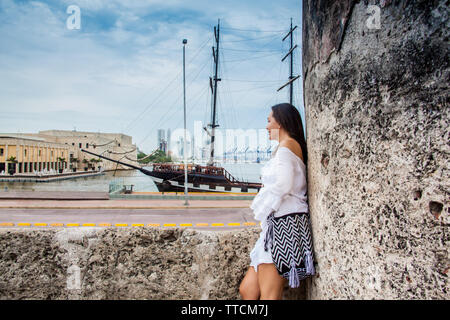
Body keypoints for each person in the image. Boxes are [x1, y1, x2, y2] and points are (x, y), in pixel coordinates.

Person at [239, 103, 312, 300]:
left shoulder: (287, 146)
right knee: (248, 289)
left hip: (283, 229)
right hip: (276, 227)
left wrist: (262, 207)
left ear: (280, 121)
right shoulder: (285, 147)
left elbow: (284, 184)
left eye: (269, 120)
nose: (266, 126)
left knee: (269, 296)